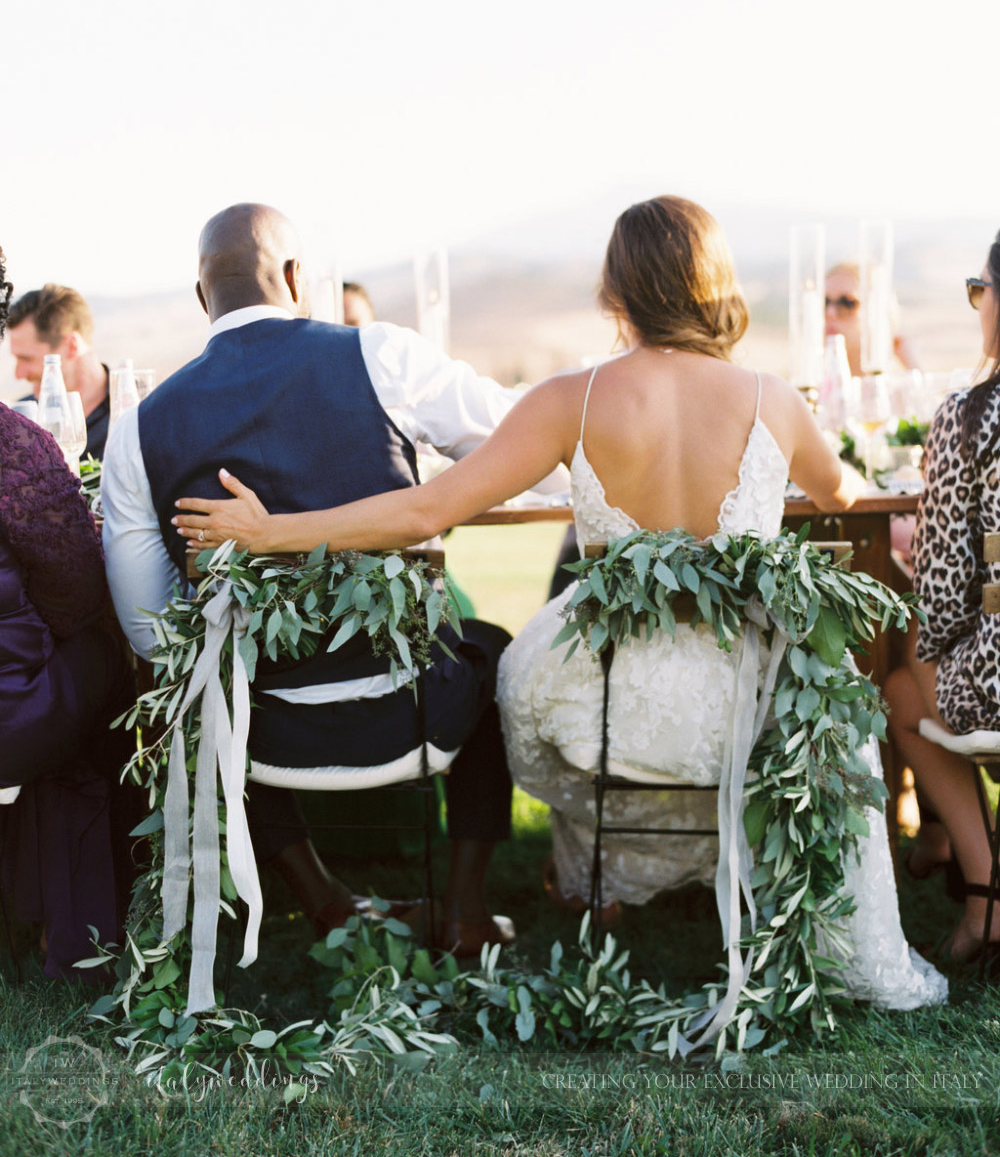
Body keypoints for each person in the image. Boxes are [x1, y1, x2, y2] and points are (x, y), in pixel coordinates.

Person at [173, 195, 946, 1011]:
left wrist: (272, 530)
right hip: (749, 703)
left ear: (614, 290)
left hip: (610, 699)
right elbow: (845, 493)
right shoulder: (774, 401)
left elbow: (425, 511)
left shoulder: (569, 401)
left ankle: (594, 871)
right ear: (716, 285)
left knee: (515, 683)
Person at [101, 202, 533, 957]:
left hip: (259, 730)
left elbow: (152, 630)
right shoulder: (384, 357)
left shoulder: (139, 430)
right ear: (298, 278)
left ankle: (321, 897)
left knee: (214, 681)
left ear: (204, 298)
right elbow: (521, 435)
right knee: (491, 648)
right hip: (416, 709)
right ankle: (464, 906)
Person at [0, 248, 136, 979]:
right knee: (106, 662)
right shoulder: (12, 446)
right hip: (9, 727)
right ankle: (77, 927)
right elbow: (77, 595)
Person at [884, 234, 1000, 962]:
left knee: (902, 684)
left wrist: (908, 551)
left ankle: (988, 899)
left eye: (978, 289)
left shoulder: (968, 416)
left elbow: (946, 599)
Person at [7, 284, 113, 458]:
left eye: (26, 359)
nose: (18, 374)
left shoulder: (134, 415)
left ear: (71, 346)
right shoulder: (20, 420)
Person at [824, 260, 920, 377]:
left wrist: (913, 369)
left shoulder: (897, 389)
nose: (830, 313)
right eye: (824, 302)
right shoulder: (808, 385)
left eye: (848, 303)